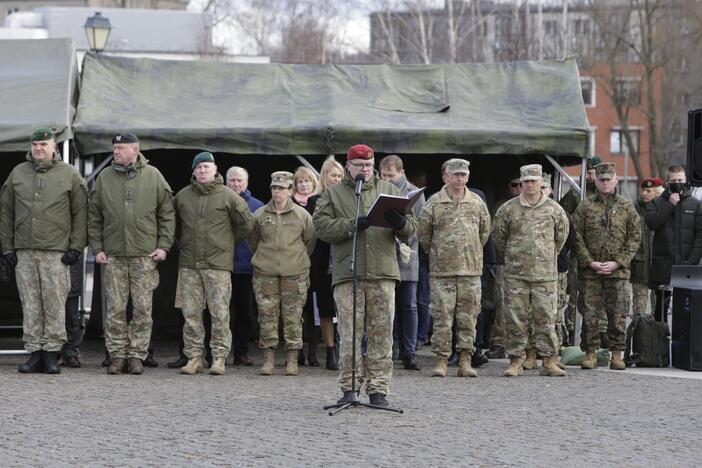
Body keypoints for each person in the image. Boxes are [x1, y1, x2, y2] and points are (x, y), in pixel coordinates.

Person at [313, 144, 417, 408]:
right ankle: (349, 388)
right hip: (349, 274)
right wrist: (351, 225)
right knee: (349, 334)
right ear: (348, 166)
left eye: (369, 166)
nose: (364, 170)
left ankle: (379, 390)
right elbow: (321, 227)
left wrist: (401, 224)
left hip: (382, 272)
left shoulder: (391, 190)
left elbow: (412, 228)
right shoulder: (333, 195)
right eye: (359, 165)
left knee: (382, 335)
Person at [0, 127, 88, 374]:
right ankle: (35, 353)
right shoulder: (18, 173)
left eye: (44, 145)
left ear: (54, 147)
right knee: (30, 304)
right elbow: (5, 212)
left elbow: (81, 213)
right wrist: (8, 248)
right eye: (35, 145)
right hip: (25, 251)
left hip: (55, 252)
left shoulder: (69, 174)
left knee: (55, 303)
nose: (39, 149)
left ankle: (51, 354)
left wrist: (76, 247)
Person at [88, 133, 175, 375]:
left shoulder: (153, 176)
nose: (115, 151)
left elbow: (167, 214)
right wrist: (97, 247)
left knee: (142, 309)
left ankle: (137, 355)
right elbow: (94, 216)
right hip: (114, 254)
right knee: (115, 308)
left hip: (144, 255)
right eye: (114, 147)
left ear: (135, 149)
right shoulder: (105, 178)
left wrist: (163, 246)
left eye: (120, 147)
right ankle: (117, 355)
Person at [174, 152, 254, 375]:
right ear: (193, 171)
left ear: (215, 169)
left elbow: (246, 224)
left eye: (206, 167)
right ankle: (194, 357)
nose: (202, 171)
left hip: (217, 264)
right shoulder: (182, 196)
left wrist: (226, 242)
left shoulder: (229, 196)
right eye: (198, 168)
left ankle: (219, 357)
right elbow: (174, 226)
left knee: (220, 313)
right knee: (191, 313)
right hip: (190, 263)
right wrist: (185, 243)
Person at [493, 164, 569, 377]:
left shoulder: (554, 209)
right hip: (516, 274)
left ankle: (549, 360)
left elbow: (560, 238)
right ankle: (516, 360)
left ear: (541, 183)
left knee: (545, 318)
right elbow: (500, 238)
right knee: (515, 318)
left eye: (533, 181)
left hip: (544, 274)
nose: (528, 185)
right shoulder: (508, 209)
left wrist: (545, 255)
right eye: (525, 181)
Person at [418, 158, 490, 378]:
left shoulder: (477, 202)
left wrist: (471, 252)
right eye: (456, 174)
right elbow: (424, 235)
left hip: (470, 270)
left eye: (464, 174)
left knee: (468, 318)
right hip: (442, 271)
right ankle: (441, 360)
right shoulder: (434, 203)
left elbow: (484, 233)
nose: (460, 178)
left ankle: (466, 359)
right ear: (445, 177)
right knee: (442, 317)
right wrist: (440, 253)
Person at [573, 162, 641, 370]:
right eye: (601, 179)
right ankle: (591, 353)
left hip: (617, 272)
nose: (604, 183)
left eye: (608, 179)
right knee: (590, 314)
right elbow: (576, 236)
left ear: (615, 180)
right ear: (595, 180)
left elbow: (635, 237)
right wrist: (590, 262)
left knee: (618, 314)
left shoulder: (626, 206)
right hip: (590, 272)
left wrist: (617, 262)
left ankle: (617, 354)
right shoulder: (585, 206)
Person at [249, 171, 316, 376]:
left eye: (282, 188)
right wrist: (264, 259)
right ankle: (268, 360)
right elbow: (253, 240)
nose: (277, 192)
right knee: (267, 316)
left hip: (294, 274)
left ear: (290, 190)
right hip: (266, 274)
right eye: (274, 188)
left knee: (293, 317)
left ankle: (292, 360)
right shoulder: (260, 215)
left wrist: (296, 260)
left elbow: (310, 241)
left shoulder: (301, 215)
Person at [380, 154, 426, 371]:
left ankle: (410, 352)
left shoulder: (414, 193)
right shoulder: (377, 189)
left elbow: (419, 225)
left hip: (407, 256)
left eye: (391, 175)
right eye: (384, 175)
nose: (388, 179)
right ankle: (387, 349)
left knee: (408, 305)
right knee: (385, 307)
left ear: (401, 172)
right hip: (382, 255)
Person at [645, 165, 702, 322]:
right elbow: (652, 223)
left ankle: (682, 345)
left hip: (686, 267)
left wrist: (691, 261)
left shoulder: (695, 205)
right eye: (674, 180)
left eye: (680, 180)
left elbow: (700, 235)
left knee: (685, 312)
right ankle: (660, 343)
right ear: (667, 182)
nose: (677, 183)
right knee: (661, 312)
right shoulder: (656, 203)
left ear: (685, 181)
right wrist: (670, 204)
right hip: (663, 267)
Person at [560, 155, 601, 345]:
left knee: (591, 298)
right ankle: (569, 332)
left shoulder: (605, 194)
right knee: (572, 296)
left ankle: (589, 335)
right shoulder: (577, 193)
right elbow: (562, 214)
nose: (590, 176)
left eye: (593, 173)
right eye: (589, 173)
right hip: (577, 253)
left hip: (597, 254)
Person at [308, 157, 344, 371]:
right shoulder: (315, 201)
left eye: (340, 175)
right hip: (323, 262)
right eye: (333, 175)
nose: (337, 179)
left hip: (344, 261)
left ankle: (343, 348)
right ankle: (330, 350)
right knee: (325, 309)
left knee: (345, 308)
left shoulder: (350, 199)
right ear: (324, 177)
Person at [226, 166, 264, 366]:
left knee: (244, 313)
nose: (236, 184)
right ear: (226, 182)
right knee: (218, 312)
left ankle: (241, 353)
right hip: (222, 266)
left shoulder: (258, 207)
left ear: (247, 182)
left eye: (239, 180)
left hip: (246, 268)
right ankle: (216, 353)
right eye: (232, 180)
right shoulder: (220, 202)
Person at [485, 174, 521, 359]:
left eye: (522, 184)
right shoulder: (501, 206)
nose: (519, 188)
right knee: (501, 303)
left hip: (527, 264)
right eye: (514, 184)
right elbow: (493, 234)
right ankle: (499, 342)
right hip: (504, 262)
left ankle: (524, 345)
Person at [291, 166, 322, 366]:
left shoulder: (319, 203)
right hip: (294, 262)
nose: (303, 185)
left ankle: (313, 353)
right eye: (299, 182)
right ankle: (298, 352)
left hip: (316, 261)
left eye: (307, 181)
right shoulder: (288, 204)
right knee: (297, 310)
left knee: (315, 310)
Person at [631, 178, 664, 317]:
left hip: (658, 264)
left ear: (656, 193)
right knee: (639, 306)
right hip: (640, 263)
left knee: (658, 307)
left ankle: (656, 336)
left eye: (648, 191)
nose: (644, 193)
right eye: (643, 190)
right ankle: (638, 335)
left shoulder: (663, 209)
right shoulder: (635, 209)